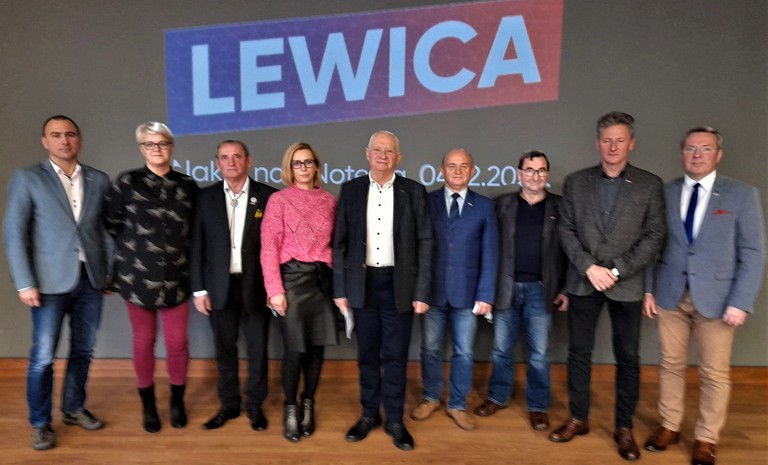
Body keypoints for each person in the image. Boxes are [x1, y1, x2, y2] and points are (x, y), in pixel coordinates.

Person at [642, 127, 765, 465]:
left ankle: (707, 437)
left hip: (719, 300)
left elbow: (753, 252)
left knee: (714, 373)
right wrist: (649, 289)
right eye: (691, 148)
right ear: (682, 153)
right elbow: (653, 246)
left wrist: (741, 301)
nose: (697, 155)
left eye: (705, 148)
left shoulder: (742, 195)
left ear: (718, 155)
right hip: (670, 295)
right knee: (670, 364)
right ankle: (669, 425)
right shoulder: (665, 192)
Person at [550, 112, 666, 461]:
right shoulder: (576, 182)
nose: (613, 146)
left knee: (628, 357)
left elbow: (654, 236)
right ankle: (578, 418)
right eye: (606, 140)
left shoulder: (649, 184)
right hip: (583, 281)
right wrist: (589, 267)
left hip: (625, 284)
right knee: (578, 353)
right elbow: (566, 230)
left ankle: (624, 427)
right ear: (597, 143)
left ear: (631, 143)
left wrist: (614, 270)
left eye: (620, 140)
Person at [3, 115, 110, 450]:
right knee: (43, 358)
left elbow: (104, 231)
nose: (64, 140)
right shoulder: (28, 178)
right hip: (47, 284)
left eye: (70, 134)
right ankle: (40, 423)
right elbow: (15, 233)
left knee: (83, 350)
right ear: (45, 141)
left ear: (79, 140)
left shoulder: (98, 179)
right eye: (56, 135)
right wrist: (24, 283)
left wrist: (108, 273)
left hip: (90, 280)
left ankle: (74, 409)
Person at [333, 130, 434, 451]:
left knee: (395, 356)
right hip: (362, 285)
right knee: (367, 355)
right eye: (377, 150)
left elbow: (426, 242)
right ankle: (368, 415)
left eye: (389, 151)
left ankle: (394, 419)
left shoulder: (413, 191)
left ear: (398, 157)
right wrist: (340, 289)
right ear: (367, 153)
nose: (383, 156)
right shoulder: (351, 190)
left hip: (398, 285)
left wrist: (422, 291)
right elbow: (340, 243)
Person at [103, 122, 198, 433]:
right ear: (141, 148)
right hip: (136, 279)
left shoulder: (188, 185)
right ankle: (148, 404)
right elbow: (111, 225)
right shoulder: (126, 183)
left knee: (177, 342)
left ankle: (177, 401)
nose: (157, 149)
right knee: (144, 341)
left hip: (178, 277)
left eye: (163, 143)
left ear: (172, 146)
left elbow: (195, 232)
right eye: (150, 144)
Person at [474, 150, 567, 432]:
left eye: (540, 170)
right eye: (529, 170)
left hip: (542, 289)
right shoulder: (501, 205)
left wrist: (566, 289)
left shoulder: (560, 207)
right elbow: (487, 248)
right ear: (519, 173)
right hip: (506, 288)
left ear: (547, 174)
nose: (535, 176)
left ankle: (538, 406)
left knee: (539, 353)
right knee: (502, 349)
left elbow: (570, 251)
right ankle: (497, 397)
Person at [190, 140, 276, 432]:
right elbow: (197, 247)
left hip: (257, 288)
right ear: (217, 163)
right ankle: (228, 404)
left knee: (258, 350)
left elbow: (275, 247)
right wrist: (199, 290)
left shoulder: (269, 197)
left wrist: (274, 288)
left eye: (236, 156)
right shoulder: (205, 198)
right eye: (224, 157)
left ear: (248, 160)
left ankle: (255, 406)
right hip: (219, 288)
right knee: (224, 350)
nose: (231, 162)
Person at [410, 148, 497, 431]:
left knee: (464, 352)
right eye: (451, 166)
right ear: (441, 170)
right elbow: (416, 249)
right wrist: (418, 291)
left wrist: (486, 294)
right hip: (432, 292)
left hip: (468, 294)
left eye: (463, 166)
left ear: (472, 170)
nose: (458, 171)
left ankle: (458, 405)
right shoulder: (426, 202)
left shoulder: (484, 206)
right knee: (430, 349)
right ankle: (431, 397)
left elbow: (490, 253)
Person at [260, 142, 338, 442]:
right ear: (289, 168)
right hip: (291, 281)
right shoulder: (279, 200)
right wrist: (274, 290)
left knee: (316, 349)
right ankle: (290, 407)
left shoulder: (329, 201)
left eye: (308, 162)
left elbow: (336, 244)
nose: (303, 168)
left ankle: (309, 402)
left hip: (321, 281)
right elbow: (269, 247)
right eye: (297, 163)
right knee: (294, 350)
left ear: (316, 166)